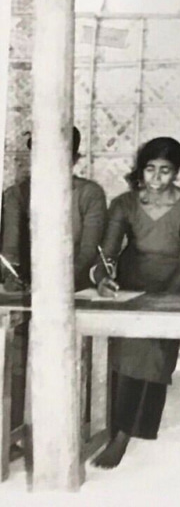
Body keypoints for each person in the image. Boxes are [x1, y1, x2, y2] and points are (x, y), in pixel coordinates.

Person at [90, 137, 180, 469]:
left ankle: (122, 435)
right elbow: (106, 255)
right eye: (150, 169)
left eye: (165, 171)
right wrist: (103, 279)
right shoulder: (124, 204)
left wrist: (160, 300)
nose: (156, 178)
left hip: (177, 286)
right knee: (128, 346)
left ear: (177, 171)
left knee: (152, 345)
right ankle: (122, 428)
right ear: (140, 170)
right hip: (133, 283)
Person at [0, 126, 107, 454]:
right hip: (31, 289)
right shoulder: (16, 195)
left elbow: (87, 253)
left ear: (74, 159)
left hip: (74, 288)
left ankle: (65, 436)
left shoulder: (89, 194)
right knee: (15, 351)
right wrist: (14, 277)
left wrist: (56, 286)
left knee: (67, 358)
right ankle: (13, 432)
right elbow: (10, 253)